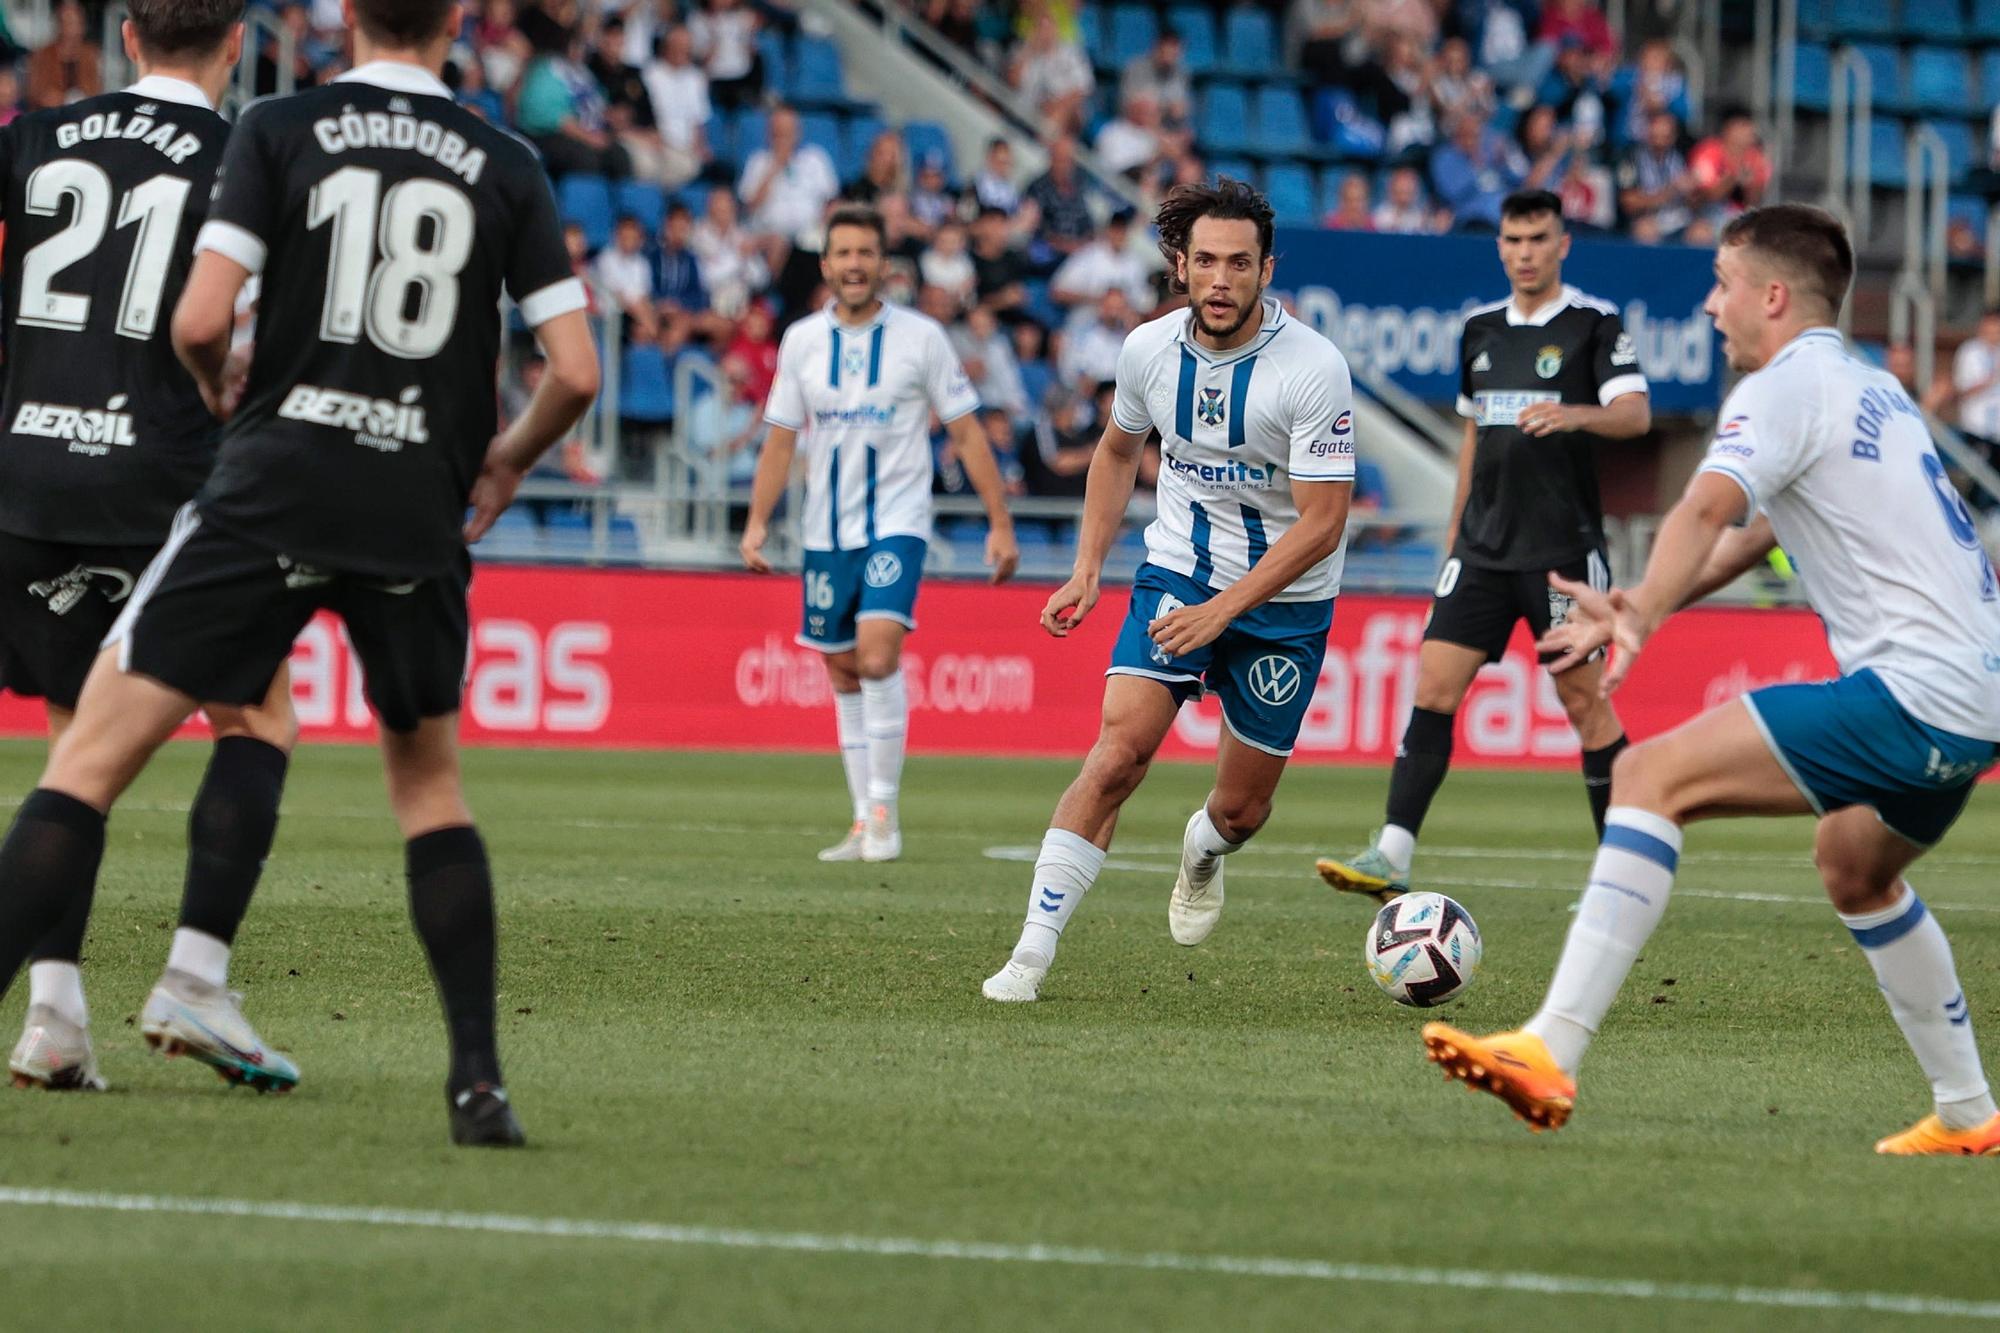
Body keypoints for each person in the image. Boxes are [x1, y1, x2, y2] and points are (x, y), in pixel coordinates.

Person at [0, 0, 601, 1146]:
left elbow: (200, 317)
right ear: (457, 24)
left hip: (207, 476)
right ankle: (469, 1080)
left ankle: (62, 1014)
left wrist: (226, 384)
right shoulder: (502, 158)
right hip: (398, 491)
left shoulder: (279, 127)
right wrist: (507, 461)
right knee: (415, 779)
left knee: (81, 756)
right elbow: (571, 367)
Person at [1425, 205, 2000, 1157]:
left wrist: (1639, 611)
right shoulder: (1868, 388)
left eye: (1724, 284)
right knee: (1855, 869)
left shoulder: (1779, 388)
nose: (1710, 304)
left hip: (1917, 689)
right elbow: (1759, 532)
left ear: (1772, 296)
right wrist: (1652, 598)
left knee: (1648, 779)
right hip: (1978, 695)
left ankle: (1549, 1047)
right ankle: (1971, 1112)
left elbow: (1705, 502)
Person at [0, 0, 301, 1095]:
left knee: (75, 739)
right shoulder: (244, 154)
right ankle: (194, 976)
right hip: (159, 480)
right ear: (234, 44)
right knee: (258, 711)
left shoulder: (33, 136)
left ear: (128, 37)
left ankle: (56, 1020)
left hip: (27, 472)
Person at [982, 178, 1357, 1003]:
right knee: (1117, 754)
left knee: (1243, 811)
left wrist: (1226, 611)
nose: (1221, 279)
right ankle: (1030, 955)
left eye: (1240, 263)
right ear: (1178, 264)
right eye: (1207, 262)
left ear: (1268, 269)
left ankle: (1203, 849)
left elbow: (1323, 521)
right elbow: (1118, 453)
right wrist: (1088, 567)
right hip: (1178, 572)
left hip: (1282, 607)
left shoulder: (1314, 368)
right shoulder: (1148, 350)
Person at [1316, 190, 1650, 901]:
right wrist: (1451, 537)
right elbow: (1473, 437)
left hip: (1562, 555)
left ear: (1563, 244)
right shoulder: (1479, 329)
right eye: (1513, 239)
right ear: (1499, 246)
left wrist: (1575, 413)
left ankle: (1626, 869)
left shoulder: (1594, 324)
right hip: (1481, 549)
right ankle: (1392, 853)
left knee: (1586, 706)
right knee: (1433, 687)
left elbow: (1637, 415)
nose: (1524, 252)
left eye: (1537, 238)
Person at [739, 206, 1019, 863]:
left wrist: (1000, 522)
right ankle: (864, 818)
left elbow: (967, 431)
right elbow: (780, 441)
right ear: (827, 264)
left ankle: (887, 813)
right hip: (823, 531)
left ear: (884, 264)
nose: (855, 265)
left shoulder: (921, 338)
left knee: (876, 656)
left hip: (897, 522)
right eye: (844, 254)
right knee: (840, 669)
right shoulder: (802, 341)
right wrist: (757, 520)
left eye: (867, 252)